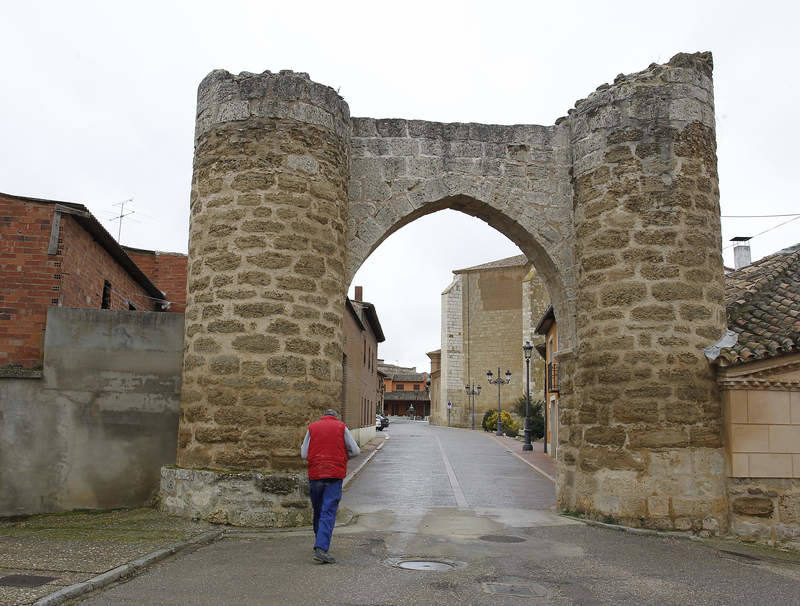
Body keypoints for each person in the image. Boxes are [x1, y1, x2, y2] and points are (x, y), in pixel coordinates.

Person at [300, 408, 360, 564]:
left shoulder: (312, 427)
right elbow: (355, 450)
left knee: (318, 510)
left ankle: (319, 541)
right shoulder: (341, 427)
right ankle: (321, 548)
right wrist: (342, 458)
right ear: (335, 417)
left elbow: (304, 454)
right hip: (334, 475)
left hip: (316, 474)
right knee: (328, 511)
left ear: (323, 417)